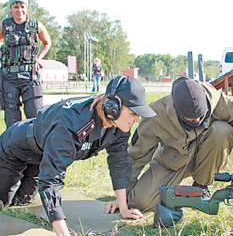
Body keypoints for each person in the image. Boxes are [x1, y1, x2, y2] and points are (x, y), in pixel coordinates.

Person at [104, 76, 233, 222]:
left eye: (201, 117)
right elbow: (135, 157)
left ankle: (201, 186)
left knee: (222, 130)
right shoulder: (155, 115)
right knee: (140, 201)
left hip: (206, 156)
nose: (197, 122)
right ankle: (174, 193)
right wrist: (123, 199)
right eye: (191, 120)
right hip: (171, 163)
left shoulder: (220, 102)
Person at [0, 75, 156, 236]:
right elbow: (50, 180)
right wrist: (63, 233)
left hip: (40, 158)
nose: (137, 119)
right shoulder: (71, 123)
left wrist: (123, 207)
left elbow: (119, 163)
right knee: (2, 200)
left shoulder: (119, 127)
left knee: (22, 201)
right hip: (15, 148)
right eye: (132, 113)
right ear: (112, 107)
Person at [0, 0, 51, 128]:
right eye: (16, 7)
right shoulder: (4, 25)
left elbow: (47, 42)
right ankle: (14, 148)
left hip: (30, 76)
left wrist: (38, 59)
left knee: (36, 117)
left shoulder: (35, 25)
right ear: (11, 9)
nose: (19, 10)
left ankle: (37, 148)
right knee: (12, 121)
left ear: (26, 8)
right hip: (9, 78)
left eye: (22, 6)